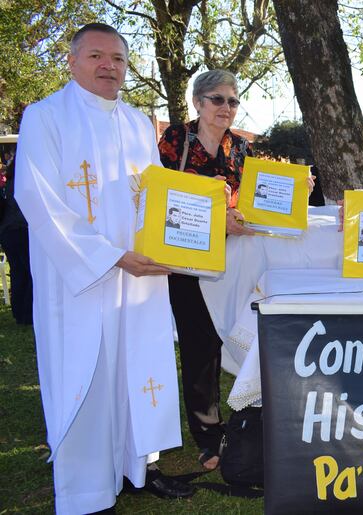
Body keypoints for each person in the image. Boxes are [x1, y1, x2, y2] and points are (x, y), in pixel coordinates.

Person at [14, 23, 191, 514]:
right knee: (86, 374)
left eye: (117, 58)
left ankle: (139, 468)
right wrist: (111, 257)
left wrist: (183, 231)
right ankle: (86, 490)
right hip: (82, 277)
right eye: (96, 56)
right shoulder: (45, 117)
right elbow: (38, 198)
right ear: (72, 62)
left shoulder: (138, 122)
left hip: (140, 276)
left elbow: (155, 193)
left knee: (138, 366)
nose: (108, 66)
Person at [158, 69, 259, 471]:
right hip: (187, 259)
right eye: (218, 99)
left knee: (230, 336)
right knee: (200, 345)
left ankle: (245, 420)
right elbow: (162, 195)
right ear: (198, 102)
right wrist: (219, 219)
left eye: (233, 101)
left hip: (233, 259)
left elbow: (250, 196)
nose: (226, 108)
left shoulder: (239, 147)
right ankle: (207, 434)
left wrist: (287, 193)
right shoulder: (176, 140)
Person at [0, 160, 33, 325]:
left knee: (18, 271)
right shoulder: (24, 182)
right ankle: (27, 314)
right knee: (30, 272)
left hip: (7, 231)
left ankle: (19, 312)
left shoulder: (10, 183)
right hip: (22, 229)